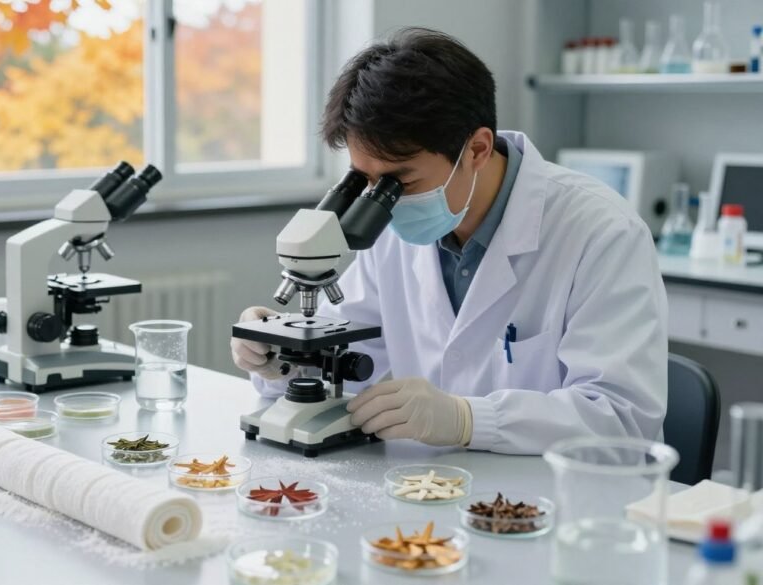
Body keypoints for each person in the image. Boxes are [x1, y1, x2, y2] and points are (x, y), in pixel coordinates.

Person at [230, 27, 667, 455]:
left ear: (476, 149)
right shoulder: (390, 230)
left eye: (400, 181)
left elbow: (622, 421)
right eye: (365, 180)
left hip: (557, 501)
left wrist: (469, 420)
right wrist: (278, 358)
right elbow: (347, 359)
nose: (384, 201)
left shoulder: (602, 232)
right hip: (435, 491)